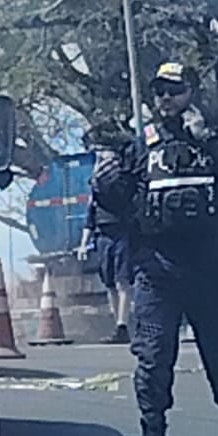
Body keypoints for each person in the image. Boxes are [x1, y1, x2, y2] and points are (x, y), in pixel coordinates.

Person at [89, 62, 218, 436]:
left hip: (210, 269)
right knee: (152, 359)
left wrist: (208, 140)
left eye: (175, 90)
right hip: (156, 270)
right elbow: (114, 205)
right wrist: (104, 181)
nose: (166, 98)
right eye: (159, 90)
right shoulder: (139, 146)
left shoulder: (213, 138)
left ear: (191, 92)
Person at [81, 123, 135, 345]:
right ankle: (118, 325)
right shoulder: (96, 184)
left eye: (102, 151)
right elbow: (90, 214)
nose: (100, 156)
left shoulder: (123, 176)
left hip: (122, 232)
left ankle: (124, 325)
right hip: (103, 235)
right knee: (110, 282)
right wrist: (84, 243)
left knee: (123, 281)